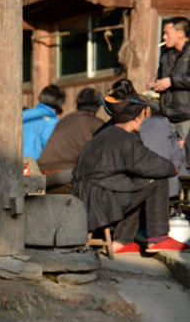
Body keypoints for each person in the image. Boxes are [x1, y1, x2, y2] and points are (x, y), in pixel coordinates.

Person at [72, 79, 187, 254]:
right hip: (100, 202)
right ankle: (158, 238)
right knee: (157, 180)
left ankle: (121, 241)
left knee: (137, 183)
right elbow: (150, 163)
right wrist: (172, 167)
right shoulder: (125, 139)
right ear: (136, 118)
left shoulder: (104, 133)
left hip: (87, 196)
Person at [38, 87, 103, 192]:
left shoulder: (64, 120)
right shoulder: (97, 123)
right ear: (98, 106)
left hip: (41, 172)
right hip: (63, 173)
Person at [150, 17, 190, 144]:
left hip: (187, 118)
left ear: (180, 34)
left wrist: (171, 81)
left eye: (167, 33)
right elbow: (163, 78)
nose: (163, 37)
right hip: (167, 117)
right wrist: (157, 84)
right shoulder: (166, 55)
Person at [23, 84, 65, 160]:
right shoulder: (52, 122)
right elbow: (51, 151)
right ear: (59, 105)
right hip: (32, 164)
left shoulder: (24, 114)